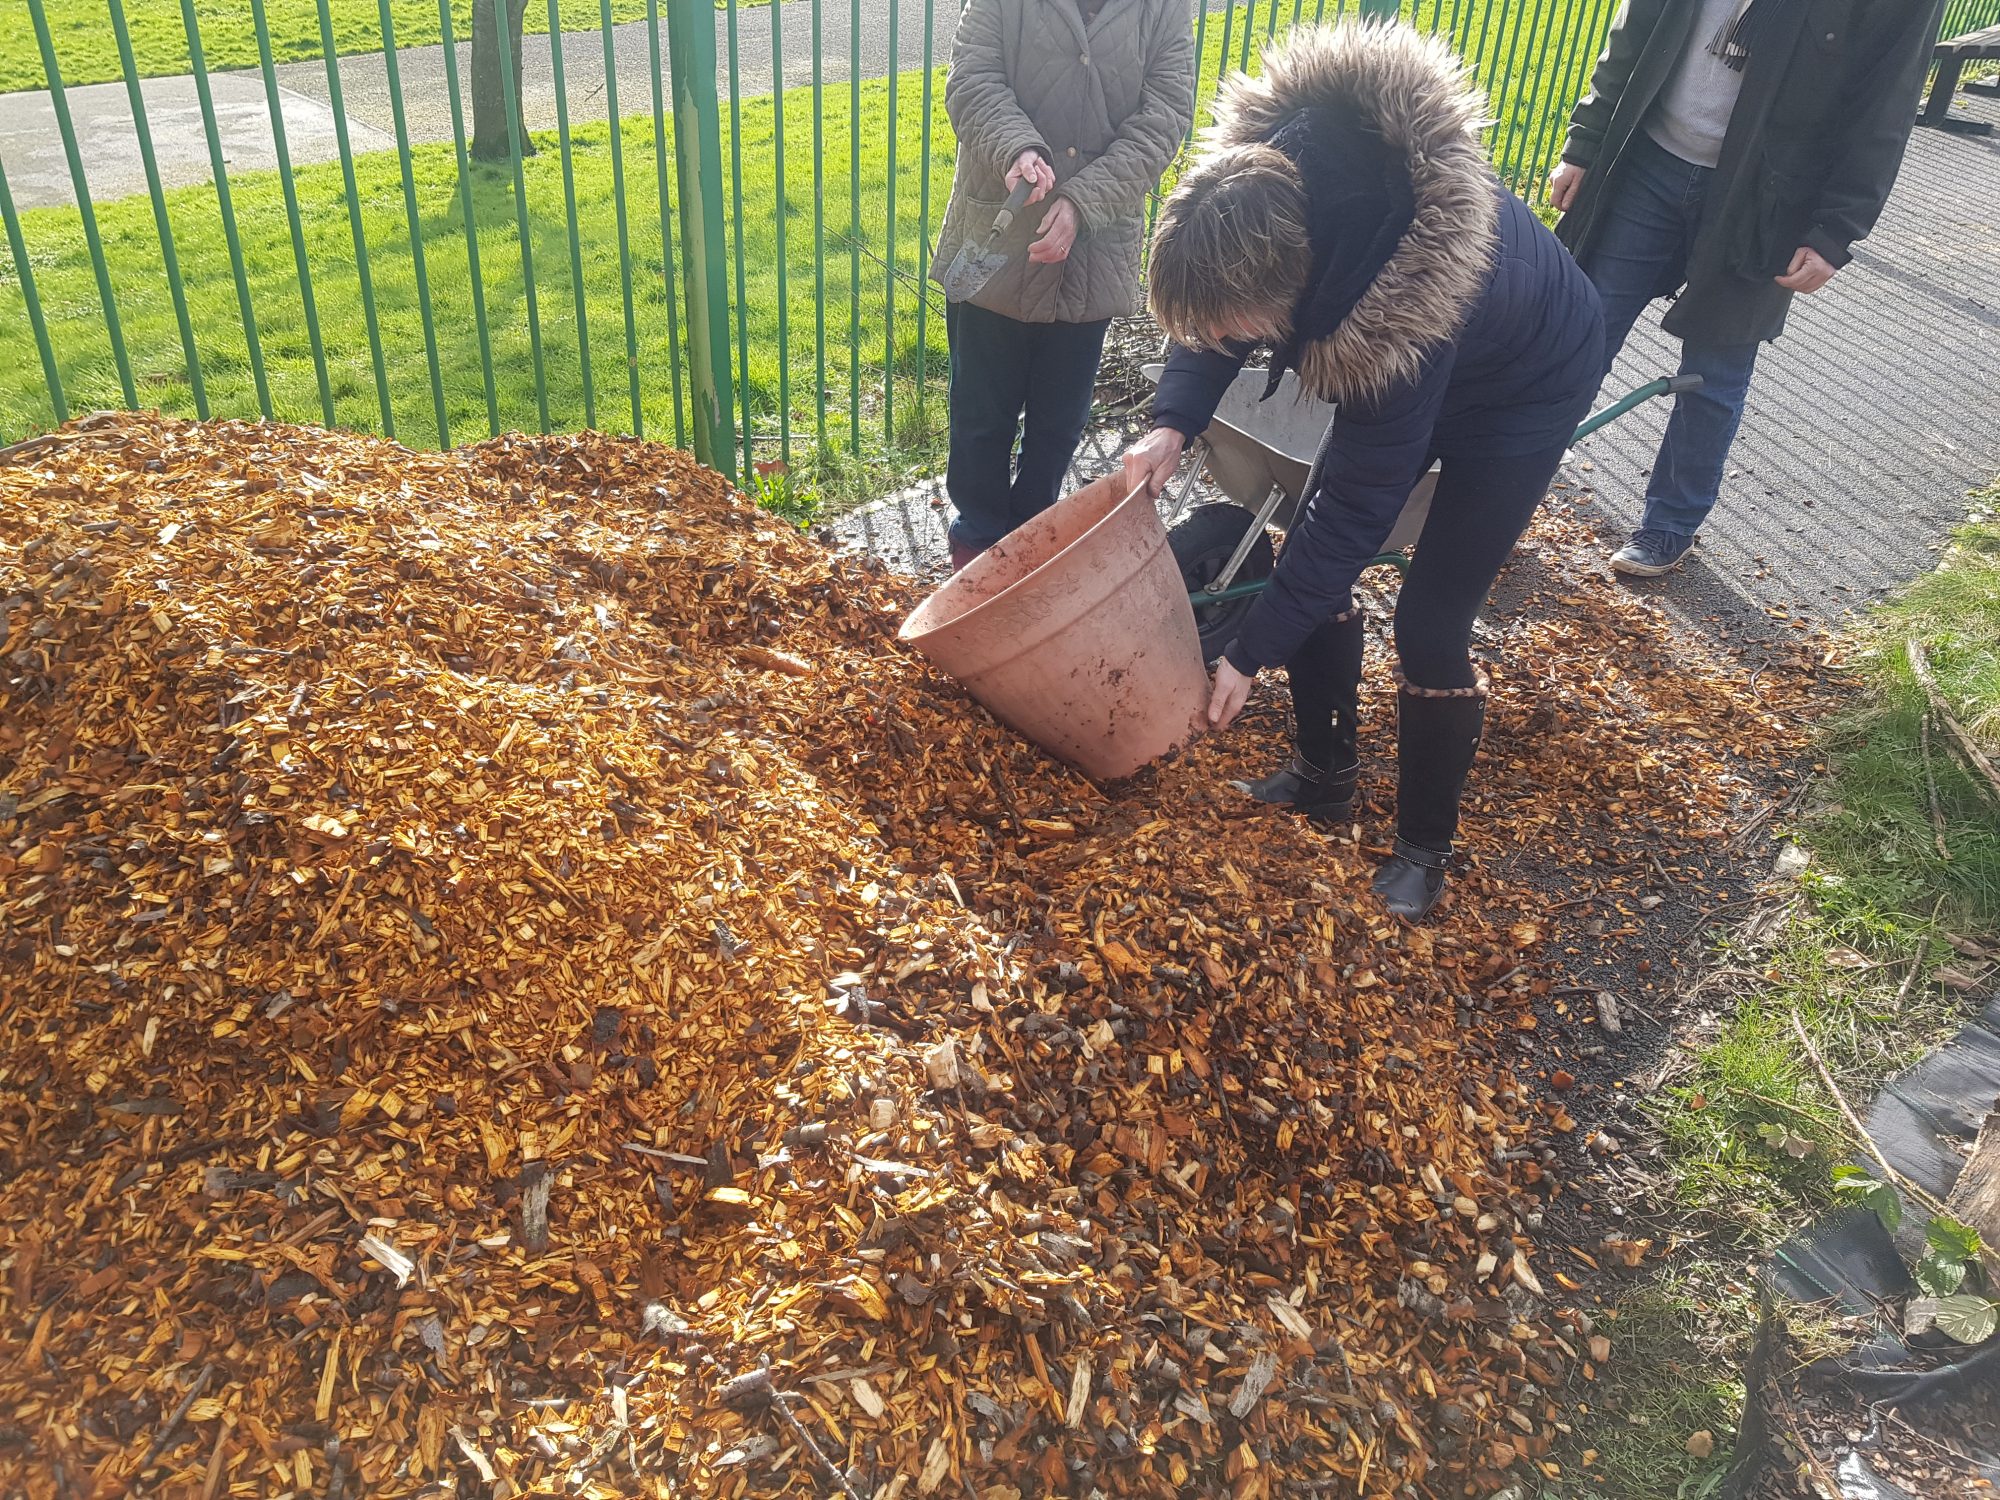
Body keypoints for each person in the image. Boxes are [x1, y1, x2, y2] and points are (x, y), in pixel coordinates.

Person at [1122, 22, 1604, 921]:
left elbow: (1355, 508)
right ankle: (1323, 774)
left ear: (1294, 292)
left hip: (1523, 388)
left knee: (1428, 617)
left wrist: (1252, 656)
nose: (1231, 345)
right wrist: (1172, 426)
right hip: (1438, 345)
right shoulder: (1267, 182)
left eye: (1242, 330)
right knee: (1312, 553)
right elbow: (1211, 320)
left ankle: (1424, 848)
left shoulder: (1392, 302)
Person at [1551, 0, 1944, 577]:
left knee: (1714, 372)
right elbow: (1637, 27)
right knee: (1579, 337)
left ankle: (1669, 526)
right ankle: (1507, 484)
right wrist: (1584, 144)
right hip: (1649, 162)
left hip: (1767, 197)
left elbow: (1886, 97)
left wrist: (1837, 228)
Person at [933, 0, 1195, 571]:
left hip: (1094, 248)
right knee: (981, 413)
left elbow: (1165, 119)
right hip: (996, 232)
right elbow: (972, 77)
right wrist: (1015, 146)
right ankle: (976, 549)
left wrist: (1083, 200)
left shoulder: (1168, 9)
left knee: (1058, 423)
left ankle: (1030, 546)